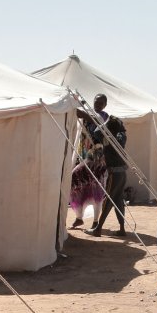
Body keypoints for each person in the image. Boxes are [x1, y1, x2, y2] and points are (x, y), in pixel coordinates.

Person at [70, 94, 110, 229]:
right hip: (84, 155)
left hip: (96, 158)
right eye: (96, 102)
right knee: (78, 186)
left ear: (104, 105)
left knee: (95, 188)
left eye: (100, 103)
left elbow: (89, 117)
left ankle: (95, 221)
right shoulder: (90, 113)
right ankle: (79, 218)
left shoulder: (103, 116)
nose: (97, 105)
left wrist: (74, 105)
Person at [89, 115, 129, 237]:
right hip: (122, 173)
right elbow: (121, 131)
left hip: (114, 174)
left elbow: (96, 132)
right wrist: (113, 123)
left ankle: (98, 228)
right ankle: (122, 229)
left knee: (109, 201)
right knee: (118, 201)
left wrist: (106, 122)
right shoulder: (121, 137)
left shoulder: (108, 139)